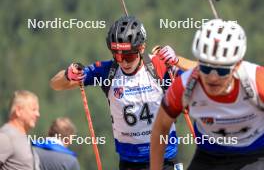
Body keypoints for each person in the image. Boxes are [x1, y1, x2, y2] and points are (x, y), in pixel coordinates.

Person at [50, 15, 196, 170]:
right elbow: (56, 84)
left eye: (129, 56)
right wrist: (68, 75)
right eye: (118, 56)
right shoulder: (107, 71)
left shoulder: (159, 66)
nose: (124, 62)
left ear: (141, 48)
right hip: (130, 162)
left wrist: (178, 61)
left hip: (165, 158)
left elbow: (204, 75)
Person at [150, 19, 264, 170]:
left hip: (254, 154)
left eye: (222, 70)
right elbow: (160, 128)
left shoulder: (257, 80)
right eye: (205, 68)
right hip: (210, 155)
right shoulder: (185, 86)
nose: (213, 77)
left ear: (237, 66)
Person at [0, 90, 40, 170]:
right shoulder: (5, 137)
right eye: (33, 109)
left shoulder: (22, 137)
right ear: (18, 111)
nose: (38, 114)